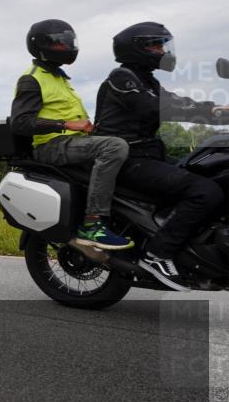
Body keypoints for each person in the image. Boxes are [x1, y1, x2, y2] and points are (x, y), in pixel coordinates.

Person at [94, 21, 228, 291]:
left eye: (163, 45)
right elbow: (154, 107)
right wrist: (211, 112)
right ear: (136, 49)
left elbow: (176, 100)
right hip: (127, 159)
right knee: (205, 191)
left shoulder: (148, 80)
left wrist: (215, 110)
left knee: (210, 171)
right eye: (156, 45)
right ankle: (157, 254)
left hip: (148, 156)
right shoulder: (121, 78)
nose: (163, 51)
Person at [11, 19, 132, 250]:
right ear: (42, 45)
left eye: (68, 42)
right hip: (50, 146)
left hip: (74, 143)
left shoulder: (59, 77)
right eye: (60, 43)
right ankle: (93, 223)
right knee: (113, 147)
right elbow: (21, 122)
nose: (66, 47)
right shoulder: (32, 78)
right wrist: (66, 124)